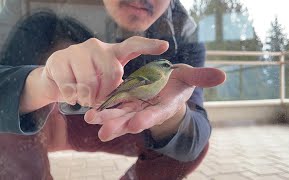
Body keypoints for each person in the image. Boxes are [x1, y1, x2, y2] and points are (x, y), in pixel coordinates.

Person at [0, 0, 226, 179]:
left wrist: (171, 117)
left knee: (187, 144)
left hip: (121, 123)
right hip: (45, 124)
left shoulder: (183, 32)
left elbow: (196, 134)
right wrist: (38, 84)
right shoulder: (35, 11)